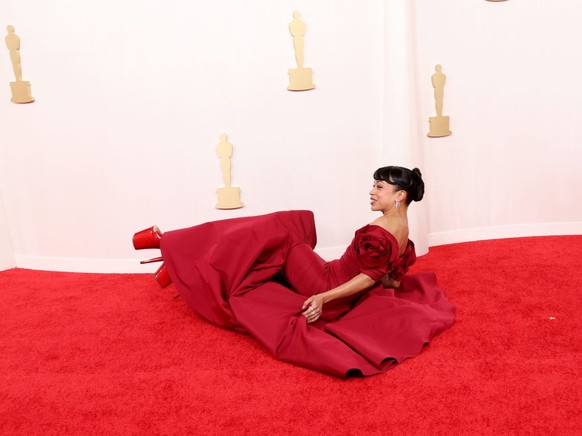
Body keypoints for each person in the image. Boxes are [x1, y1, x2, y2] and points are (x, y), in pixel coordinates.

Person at [133, 166, 455, 377]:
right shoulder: (402, 229)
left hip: (324, 281)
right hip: (330, 275)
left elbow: (368, 277)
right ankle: (176, 260)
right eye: (373, 184)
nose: (372, 191)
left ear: (400, 195)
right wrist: (377, 289)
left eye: (380, 187)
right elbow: (389, 277)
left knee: (279, 230)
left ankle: (173, 251)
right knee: (276, 231)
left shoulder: (382, 229)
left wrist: (323, 298)